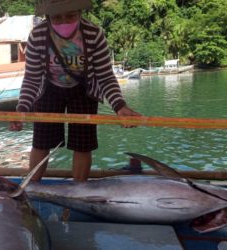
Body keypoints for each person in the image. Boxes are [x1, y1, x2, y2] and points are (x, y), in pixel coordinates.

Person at [10, 0, 140, 182]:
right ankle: (31, 188)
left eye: (70, 15)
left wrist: (119, 106)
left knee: (82, 145)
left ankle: (79, 188)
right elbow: (32, 78)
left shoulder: (94, 34)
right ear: (47, 17)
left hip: (83, 89)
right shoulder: (38, 35)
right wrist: (22, 109)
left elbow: (105, 76)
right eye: (56, 17)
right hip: (49, 88)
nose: (64, 22)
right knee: (41, 141)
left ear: (80, 12)